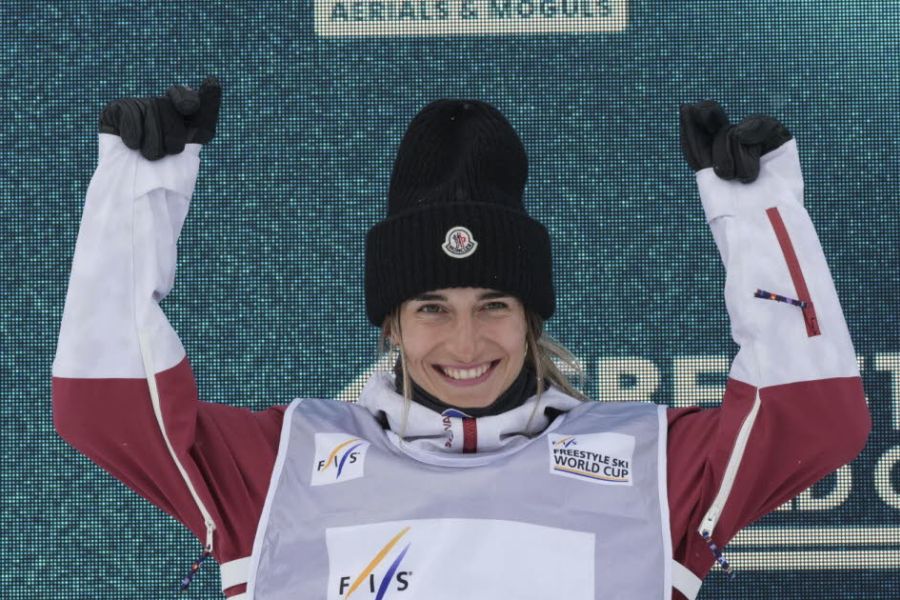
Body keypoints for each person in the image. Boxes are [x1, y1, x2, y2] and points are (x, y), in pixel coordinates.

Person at [52, 78, 870, 600]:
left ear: (533, 315)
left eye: (495, 303)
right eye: (432, 307)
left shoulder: (653, 464)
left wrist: (759, 215)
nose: (467, 339)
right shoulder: (279, 466)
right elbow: (103, 405)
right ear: (392, 322)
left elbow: (818, 417)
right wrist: (138, 200)